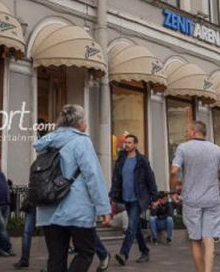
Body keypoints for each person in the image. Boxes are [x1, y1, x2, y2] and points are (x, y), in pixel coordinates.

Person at [34, 104, 111, 272]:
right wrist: (104, 208)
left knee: (56, 257)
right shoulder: (82, 141)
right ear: (80, 122)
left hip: (49, 208)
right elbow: (93, 176)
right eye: (85, 119)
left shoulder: (47, 143)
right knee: (85, 252)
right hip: (77, 209)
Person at [170, 121, 220, 272]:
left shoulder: (183, 148)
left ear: (194, 132)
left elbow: (174, 171)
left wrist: (174, 192)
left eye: (187, 131)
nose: (185, 134)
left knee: (195, 240)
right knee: (209, 240)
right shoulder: (217, 150)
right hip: (212, 199)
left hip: (191, 199)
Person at [110, 134, 158, 265]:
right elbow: (116, 179)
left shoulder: (141, 160)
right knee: (135, 227)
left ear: (135, 144)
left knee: (131, 226)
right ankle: (145, 251)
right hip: (126, 198)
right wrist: (113, 195)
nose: (127, 145)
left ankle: (123, 254)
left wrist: (155, 197)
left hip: (139, 198)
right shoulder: (121, 160)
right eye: (125, 142)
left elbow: (150, 178)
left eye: (130, 142)